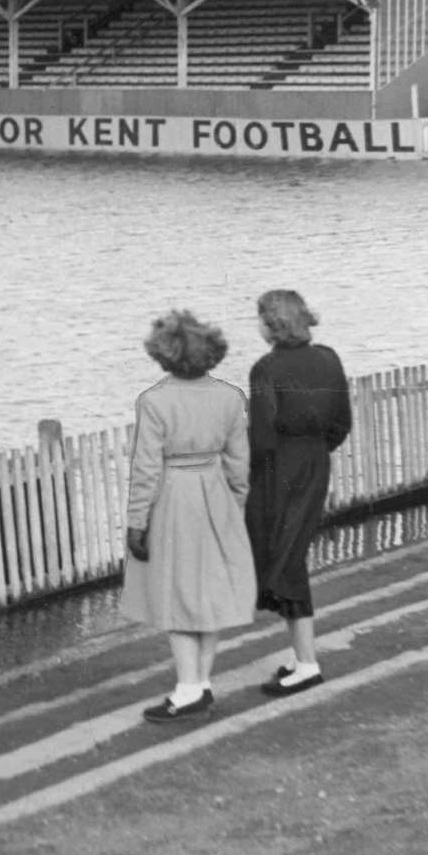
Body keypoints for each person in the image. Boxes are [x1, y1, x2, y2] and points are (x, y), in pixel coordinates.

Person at [121, 310, 258, 723]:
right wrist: (236, 503)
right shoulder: (231, 396)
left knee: (174, 592)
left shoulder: (154, 401)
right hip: (215, 492)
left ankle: (187, 689)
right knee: (210, 591)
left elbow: (145, 470)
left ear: (164, 355)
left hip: (173, 498)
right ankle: (201, 681)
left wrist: (137, 521)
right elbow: (239, 462)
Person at [245, 289, 352, 698]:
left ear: (271, 325)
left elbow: (262, 439)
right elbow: (342, 422)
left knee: (282, 560)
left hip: (279, 471)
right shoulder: (329, 358)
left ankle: (307, 665)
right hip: (315, 461)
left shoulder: (265, 370)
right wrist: (315, 453)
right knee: (292, 556)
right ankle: (301, 656)